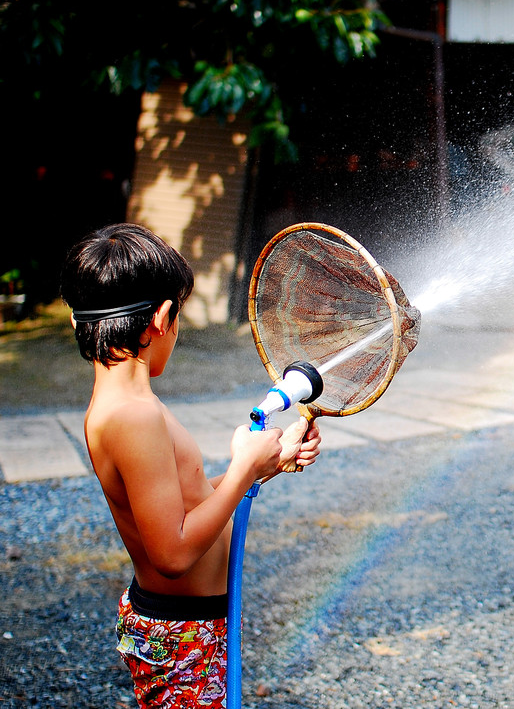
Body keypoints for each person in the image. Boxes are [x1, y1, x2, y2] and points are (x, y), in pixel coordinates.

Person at [61, 223, 321, 708]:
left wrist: (267, 462)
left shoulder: (124, 405)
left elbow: (185, 502)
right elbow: (173, 554)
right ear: (163, 318)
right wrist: (243, 467)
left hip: (189, 621)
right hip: (183, 630)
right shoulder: (135, 417)